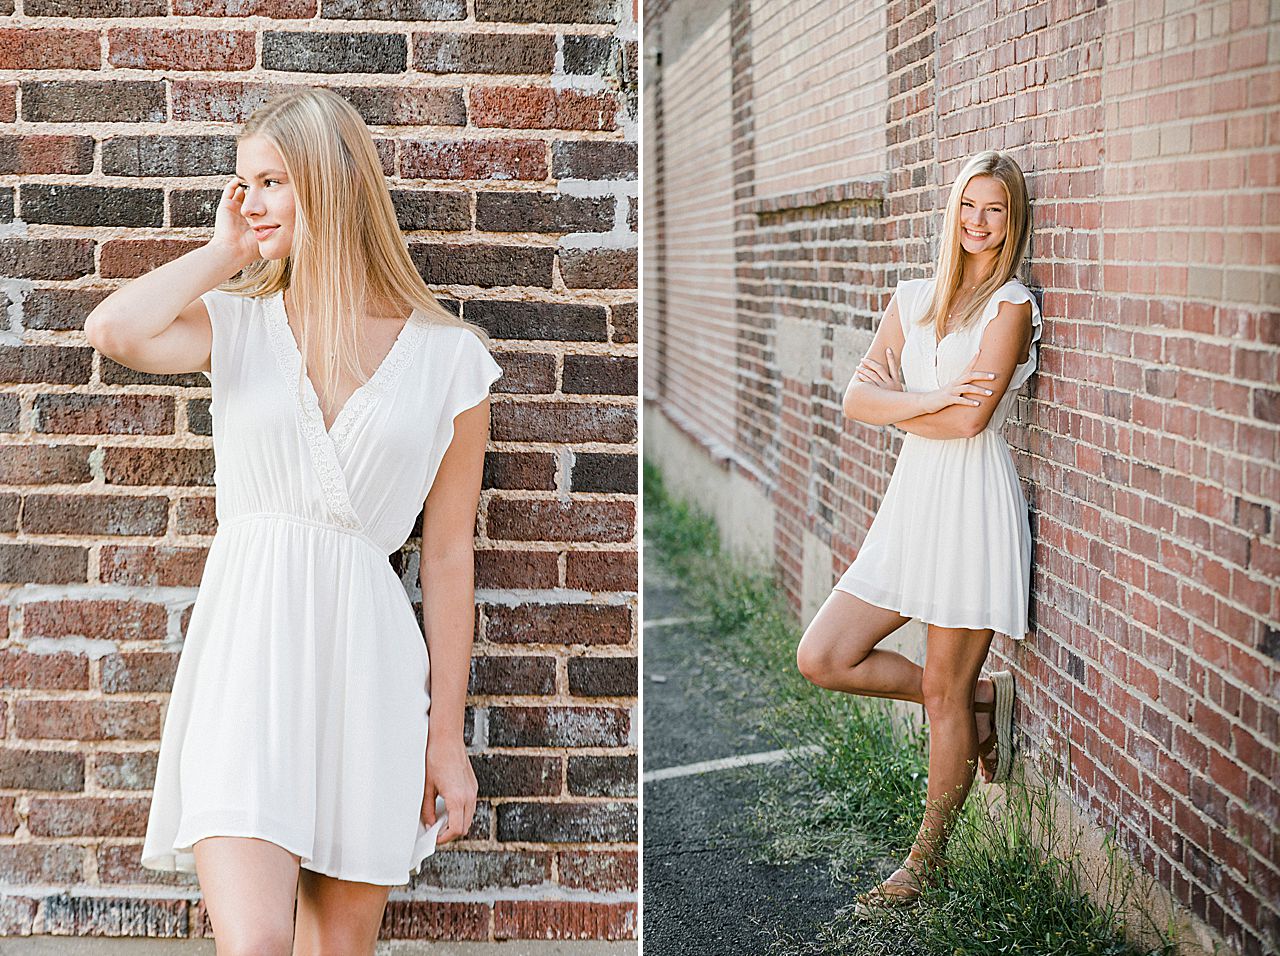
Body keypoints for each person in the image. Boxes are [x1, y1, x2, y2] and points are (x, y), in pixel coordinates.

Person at [84, 87, 503, 955]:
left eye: (271, 180)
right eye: (242, 183)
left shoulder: (449, 361)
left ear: (332, 182)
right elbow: (114, 329)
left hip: (371, 675)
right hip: (246, 666)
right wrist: (219, 252)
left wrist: (446, 739)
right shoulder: (234, 325)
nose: (250, 201)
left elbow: (450, 557)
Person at [795, 150, 1042, 914]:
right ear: (952, 211)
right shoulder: (911, 299)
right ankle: (978, 706)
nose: (979, 222)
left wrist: (903, 398)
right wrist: (927, 394)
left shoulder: (1012, 305)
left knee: (941, 686)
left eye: (995, 209)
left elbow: (973, 419)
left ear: (1013, 220)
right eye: (969, 205)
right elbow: (855, 399)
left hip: (972, 500)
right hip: (911, 503)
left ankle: (923, 864)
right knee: (824, 655)